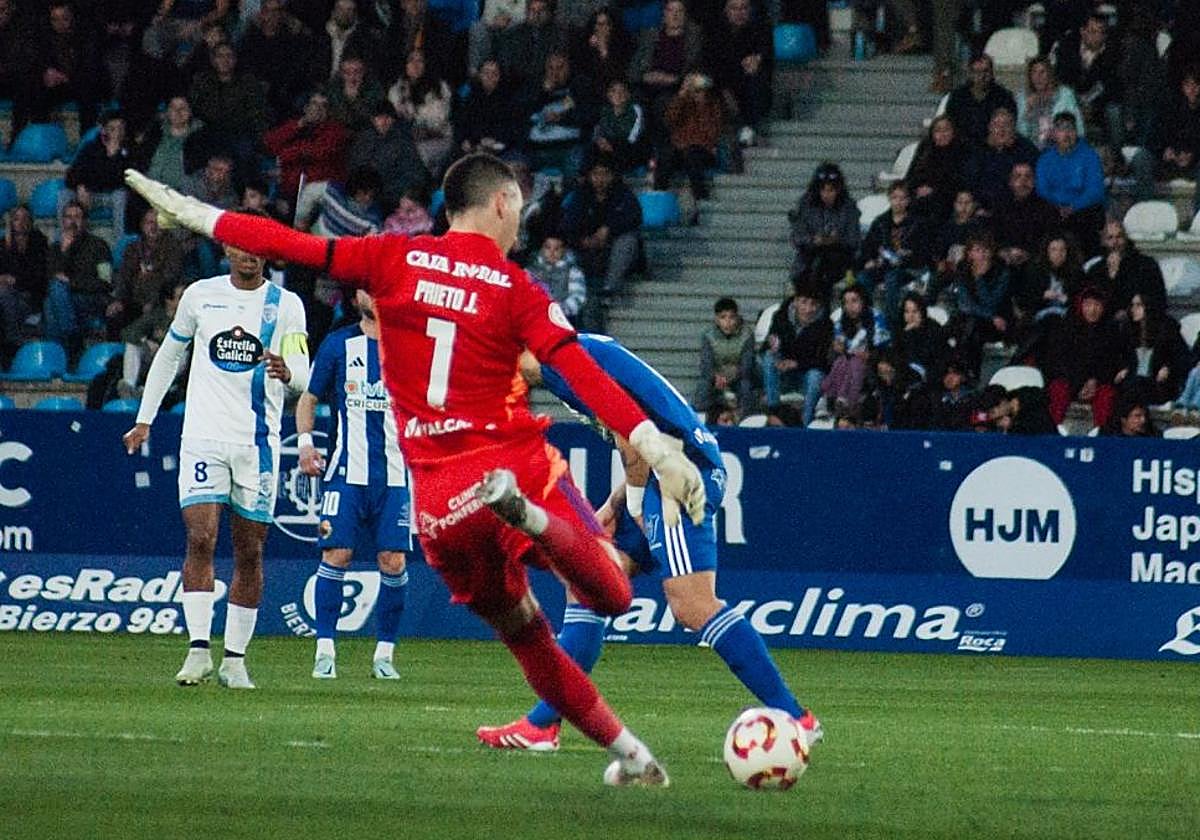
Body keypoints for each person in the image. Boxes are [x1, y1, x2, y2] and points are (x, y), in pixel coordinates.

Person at [124, 152, 705, 786]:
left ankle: (630, 753)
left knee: (528, 641)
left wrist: (200, 215)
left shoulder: (391, 257)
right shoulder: (516, 288)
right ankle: (534, 518)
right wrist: (654, 443)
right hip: (513, 466)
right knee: (612, 592)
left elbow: (291, 245)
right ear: (503, 205)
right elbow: (580, 368)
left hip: (440, 508)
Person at [476, 335, 821, 752]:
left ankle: (796, 717)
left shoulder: (567, 363)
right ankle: (542, 725)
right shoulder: (574, 354)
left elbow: (634, 437)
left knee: (692, 604)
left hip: (677, 477)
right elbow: (642, 431)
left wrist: (636, 503)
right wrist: (617, 502)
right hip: (669, 466)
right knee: (590, 580)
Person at [120, 216, 311, 690]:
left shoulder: (285, 305)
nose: (249, 255)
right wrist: (146, 417)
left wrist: (290, 373)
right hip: (203, 435)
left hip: (258, 445)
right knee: (201, 537)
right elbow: (169, 355)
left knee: (250, 550)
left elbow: (303, 373)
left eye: (257, 248)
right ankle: (198, 650)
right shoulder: (199, 296)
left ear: (266, 253)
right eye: (241, 247)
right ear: (226, 249)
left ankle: (236, 659)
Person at [297, 290, 410, 680]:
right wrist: (306, 444)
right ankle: (324, 650)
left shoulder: (410, 346)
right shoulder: (339, 344)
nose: (374, 295)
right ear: (357, 295)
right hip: (346, 474)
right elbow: (309, 397)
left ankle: (385, 654)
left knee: (392, 562)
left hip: (395, 477)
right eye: (367, 288)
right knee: (337, 555)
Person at [763, 277, 833, 426]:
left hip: (805, 376)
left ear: (819, 305)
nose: (808, 309)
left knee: (816, 376)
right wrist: (777, 356)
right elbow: (768, 346)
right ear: (795, 301)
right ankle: (773, 411)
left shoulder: (826, 325)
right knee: (768, 359)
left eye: (813, 304)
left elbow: (823, 361)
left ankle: (805, 422)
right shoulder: (780, 318)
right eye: (804, 302)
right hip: (783, 374)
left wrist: (797, 364)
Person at [1035, 111, 1105, 256]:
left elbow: (1095, 190)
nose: (1066, 134)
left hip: (1082, 210)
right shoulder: (1045, 159)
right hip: (1055, 209)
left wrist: (1073, 207)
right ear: (1054, 133)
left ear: (1077, 132)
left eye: (1071, 129)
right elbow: (1042, 189)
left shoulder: (1089, 156)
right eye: (1061, 129)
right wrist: (1059, 206)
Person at [788, 162, 860, 293]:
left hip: (839, 259)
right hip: (809, 257)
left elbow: (854, 239)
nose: (827, 195)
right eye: (823, 190)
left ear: (838, 190)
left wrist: (836, 240)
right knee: (806, 273)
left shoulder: (849, 207)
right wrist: (813, 240)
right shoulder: (805, 205)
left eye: (831, 190)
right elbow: (797, 236)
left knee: (823, 269)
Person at [0, 205, 49, 367]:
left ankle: (13, 341)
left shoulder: (39, 244)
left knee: (5, 294)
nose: (21, 222)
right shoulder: (3, 245)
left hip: (30, 297)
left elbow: (40, 278)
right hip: (7, 297)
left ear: (31, 222)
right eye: (16, 219)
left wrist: (15, 280)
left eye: (25, 218)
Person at [693, 295, 756, 420]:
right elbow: (706, 363)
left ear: (737, 318)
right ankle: (702, 420)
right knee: (703, 387)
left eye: (731, 317)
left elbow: (747, 364)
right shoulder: (708, 336)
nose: (728, 322)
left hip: (738, 376)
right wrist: (716, 377)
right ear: (716, 319)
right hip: (716, 377)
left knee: (746, 387)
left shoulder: (747, 335)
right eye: (723, 318)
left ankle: (743, 420)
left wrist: (732, 376)